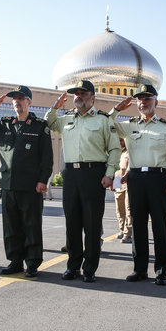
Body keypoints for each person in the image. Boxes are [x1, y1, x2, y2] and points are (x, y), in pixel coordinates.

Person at [45, 80, 120, 283]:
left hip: (94, 174)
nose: (78, 96)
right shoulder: (66, 119)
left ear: (92, 97)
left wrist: (110, 173)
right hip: (71, 175)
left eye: (82, 93)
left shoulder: (104, 120)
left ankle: (89, 268)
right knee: (72, 224)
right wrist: (55, 107)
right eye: (75, 94)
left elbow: (114, 149)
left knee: (92, 224)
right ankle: (73, 266)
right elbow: (49, 122)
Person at [0, 85, 53, 277]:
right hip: (8, 184)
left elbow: (46, 158)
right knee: (11, 227)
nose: (17, 101)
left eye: (21, 98)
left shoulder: (39, 126)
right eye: (14, 99)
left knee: (31, 226)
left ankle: (33, 263)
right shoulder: (4, 125)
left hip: (31, 186)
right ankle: (15, 261)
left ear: (29, 101)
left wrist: (43, 180)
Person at [111, 85, 166, 285]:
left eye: (147, 99)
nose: (143, 102)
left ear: (156, 102)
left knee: (160, 227)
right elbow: (105, 122)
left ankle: (161, 271)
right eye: (140, 99)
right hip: (135, 179)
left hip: (158, 179)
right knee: (139, 227)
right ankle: (139, 269)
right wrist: (117, 109)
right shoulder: (129, 125)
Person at [113, 138, 132, 243]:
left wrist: (126, 176)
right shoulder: (115, 152)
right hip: (117, 181)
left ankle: (128, 234)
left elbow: (130, 167)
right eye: (118, 140)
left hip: (127, 182)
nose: (120, 142)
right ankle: (121, 229)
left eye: (121, 140)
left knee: (128, 209)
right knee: (119, 209)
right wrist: (112, 183)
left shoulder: (129, 152)